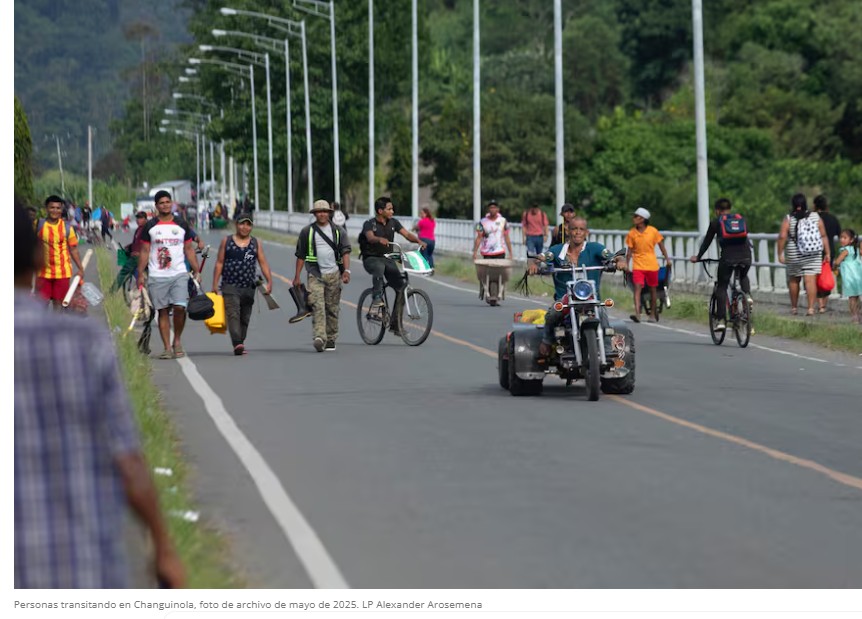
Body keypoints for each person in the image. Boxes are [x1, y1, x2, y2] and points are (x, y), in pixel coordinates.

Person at [14, 200, 185, 589]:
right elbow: (126, 458)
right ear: (38, 258)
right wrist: (163, 547)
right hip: (80, 566)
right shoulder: (84, 342)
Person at [526, 216, 625, 358]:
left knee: (602, 313)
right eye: (574, 229)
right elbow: (539, 257)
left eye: (581, 229)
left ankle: (608, 349)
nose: (578, 232)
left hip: (591, 299)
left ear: (586, 232)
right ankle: (547, 340)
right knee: (553, 313)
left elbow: (615, 256)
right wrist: (533, 265)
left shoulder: (595, 248)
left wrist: (620, 261)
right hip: (565, 299)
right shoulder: (557, 250)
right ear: (568, 231)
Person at [137, 190, 201, 360]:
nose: (165, 205)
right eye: (161, 203)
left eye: (167, 202)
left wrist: (196, 270)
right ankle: (167, 347)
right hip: (157, 275)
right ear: (156, 206)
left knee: (180, 308)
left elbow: (189, 249)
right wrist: (140, 273)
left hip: (179, 273)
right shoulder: (150, 226)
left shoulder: (181, 224)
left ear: (172, 203)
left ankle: (177, 341)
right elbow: (145, 251)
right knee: (163, 311)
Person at [293, 200, 352, 352]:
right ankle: (319, 337)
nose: (322, 214)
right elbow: (301, 255)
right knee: (317, 305)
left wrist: (346, 271)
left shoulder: (339, 231)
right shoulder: (307, 232)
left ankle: (331, 338)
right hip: (315, 274)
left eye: (325, 211)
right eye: (319, 212)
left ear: (329, 213)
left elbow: (345, 252)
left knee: (332, 308)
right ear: (314, 214)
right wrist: (297, 276)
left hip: (334, 274)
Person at [212, 212, 273, 355]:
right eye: (242, 224)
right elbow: (219, 263)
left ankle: (240, 341)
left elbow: (263, 263)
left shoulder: (255, 243)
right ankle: (237, 343)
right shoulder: (226, 241)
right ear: (236, 225)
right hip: (230, 285)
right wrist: (215, 284)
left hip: (249, 287)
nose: (245, 227)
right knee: (233, 314)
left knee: (245, 318)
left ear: (251, 227)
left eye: (248, 224)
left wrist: (269, 281)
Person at [689, 198, 753, 331]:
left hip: (728, 257)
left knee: (722, 286)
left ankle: (721, 320)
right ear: (729, 208)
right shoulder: (740, 219)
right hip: (746, 256)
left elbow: (706, 242)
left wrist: (698, 257)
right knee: (743, 275)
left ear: (717, 211)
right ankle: (747, 296)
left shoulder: (716, 222)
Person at [361, 196, 426, 314]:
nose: (392, 211)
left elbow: (407, 234)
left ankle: (396, 321)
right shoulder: (369, 224)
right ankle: (376, 299)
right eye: (389, 209)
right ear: (380, 211)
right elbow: (370, 237)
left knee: (401, 287)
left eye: (392, 209)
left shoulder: (393, 222)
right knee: (379, 267)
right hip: (371, 258)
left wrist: (418, 241)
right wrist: (379, 239)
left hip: (387, 258)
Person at [777, 194, 831, 316]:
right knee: (810, 280)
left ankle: (794, 308)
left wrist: (780, 254)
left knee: (794, 280)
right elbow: (823, 235)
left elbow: (782, 236)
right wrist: (827, 252)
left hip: (794, 253)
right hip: (813, 252)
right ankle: (810, 308)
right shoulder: (815, 216)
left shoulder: (789, 218)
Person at [35, 195, 85, 309]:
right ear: (46, 209)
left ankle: (57, 321)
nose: (55, 211)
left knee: (59, 306)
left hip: (62, 274)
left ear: (62, 210)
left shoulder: (67, 228)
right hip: (43, 273)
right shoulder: (38, 225)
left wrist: (80, 268)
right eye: (52, 207)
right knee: (41, 306)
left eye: (58, 208)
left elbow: (73, 249)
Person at [625, 207, 669, 323]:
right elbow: (629, 251)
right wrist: (626, 264)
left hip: (651, 265)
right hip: (638, 265)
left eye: (636, 216)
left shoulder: (653, 231)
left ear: (642, 219)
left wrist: (667, 259)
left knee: (653, 290)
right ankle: (637, 314)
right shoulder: (632, 233)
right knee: (637, 288)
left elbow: (661, 246)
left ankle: (652, 314)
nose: (634, 218)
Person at [813, 195, 841, 313]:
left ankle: (820, 304)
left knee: (816, 278)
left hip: (815, 251)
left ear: (815, 206)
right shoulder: (833, 219)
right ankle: (823, 304)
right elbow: (840, 234)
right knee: (826, 277)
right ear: (826, 206)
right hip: (829, 252)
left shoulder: (813, 218)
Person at [112, 211, 148, 292]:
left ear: (145, 219)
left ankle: (112, 292)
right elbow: (135, 242)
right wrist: (128, 247)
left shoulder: (146, 229)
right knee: (136, 271)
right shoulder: (138, 229)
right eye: (137, 218)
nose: (138, 220)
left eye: (141, 218)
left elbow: (145, 244)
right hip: (135, 255)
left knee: (124, 272)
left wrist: (139, 252)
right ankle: (141, 288)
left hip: (138, 256)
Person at [833, 229, 862, 324]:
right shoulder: (856, 250)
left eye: (844, 238)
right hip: (858, 277)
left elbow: (837, 261)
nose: (842, 240)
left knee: (852, 298)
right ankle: (859, 315)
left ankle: (854, 316)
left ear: (851, 240)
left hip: (849, 278)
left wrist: (834, 266)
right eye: (841, 237)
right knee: (857, 297)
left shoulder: (845, 250)